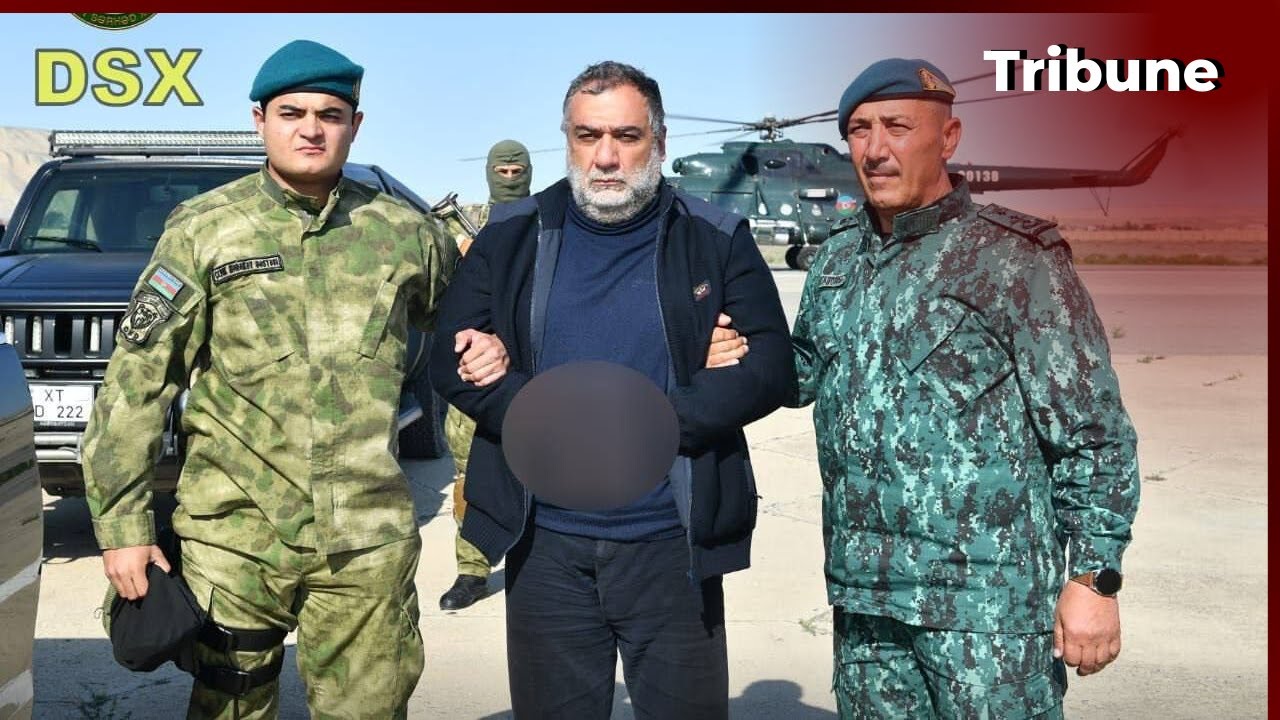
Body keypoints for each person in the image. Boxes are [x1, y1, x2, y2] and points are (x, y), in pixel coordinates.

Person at [81, 39, 455, 719]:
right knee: (230, 707)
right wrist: (124, 527)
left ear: (355, 125)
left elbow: (469, 335)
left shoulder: (407, 234)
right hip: (234, 538)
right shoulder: (205, 231)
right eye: (292, 113)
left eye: (330, 114)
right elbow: (136, 383)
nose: (311, 129)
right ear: (260, 121)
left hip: (365, 542)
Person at [429, 60, 794, 718]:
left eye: (626, 136)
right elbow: (447, 360)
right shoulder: (512, 236)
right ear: (567, 140)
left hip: (671, 545)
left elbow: (771, 367)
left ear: (659, 141)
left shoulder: (713, 238)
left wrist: (653, 422)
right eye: (587, 136)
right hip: (545, 547)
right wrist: (544, 414)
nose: (605, 157)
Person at [786, 58, 1141, 718]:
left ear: (947, 138)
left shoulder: (1015, 259)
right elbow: (799, 373)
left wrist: (1094, 578)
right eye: (859, 130)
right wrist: (721, 341)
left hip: (987, 610)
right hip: (867, 603)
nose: (876, 148)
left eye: (897, 126)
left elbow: (1094, 434)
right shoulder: (835, 259)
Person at [439, 139, 533, 611]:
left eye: (517, 171)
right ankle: (472, 569)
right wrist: (461, 257)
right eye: (502, 171)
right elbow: (433, 289)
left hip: (532, 361)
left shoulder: (548, 217)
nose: (509, 178)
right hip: (474, 367)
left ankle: (534, 561)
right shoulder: (460, 221)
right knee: (469, 471)